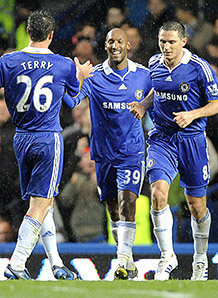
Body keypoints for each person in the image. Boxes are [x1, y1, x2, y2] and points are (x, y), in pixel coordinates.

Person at [0, 10, 93, 280]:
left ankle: (56, 263)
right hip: (47, 137)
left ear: (28, 32)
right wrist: (82, 76)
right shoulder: (63, 64)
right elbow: (74, 101)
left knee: (41, 202)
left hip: (21, 138)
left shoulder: (8, 61)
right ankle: (17, 264)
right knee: (41, 204)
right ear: (51, 35)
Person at [129, 21, 218, 281]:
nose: (166, 47)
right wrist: (144, 105)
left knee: (196, 205)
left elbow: (215, 103)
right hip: (162, 139)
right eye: (162, 42)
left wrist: (193, 114)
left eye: (171, 42)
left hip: (191, 140)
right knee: (158, 194)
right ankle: (167, 257)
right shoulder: (155, 63)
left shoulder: (199, 68)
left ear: (183, 42)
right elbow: (157, 90)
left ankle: (200, 260)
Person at [64, 27, 152, 280]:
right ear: (105, 46)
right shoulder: (95, 76)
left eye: (120, 41)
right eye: (110, 41)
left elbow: (158, 93)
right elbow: (72, 102)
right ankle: (125, 255)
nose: (115, 45)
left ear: (128, 46)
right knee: (113, 207)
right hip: (103, 154)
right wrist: (79, 78)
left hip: (132, 152)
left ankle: (123, 260)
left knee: (128, 200)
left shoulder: (143, 75)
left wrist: (145, 106)